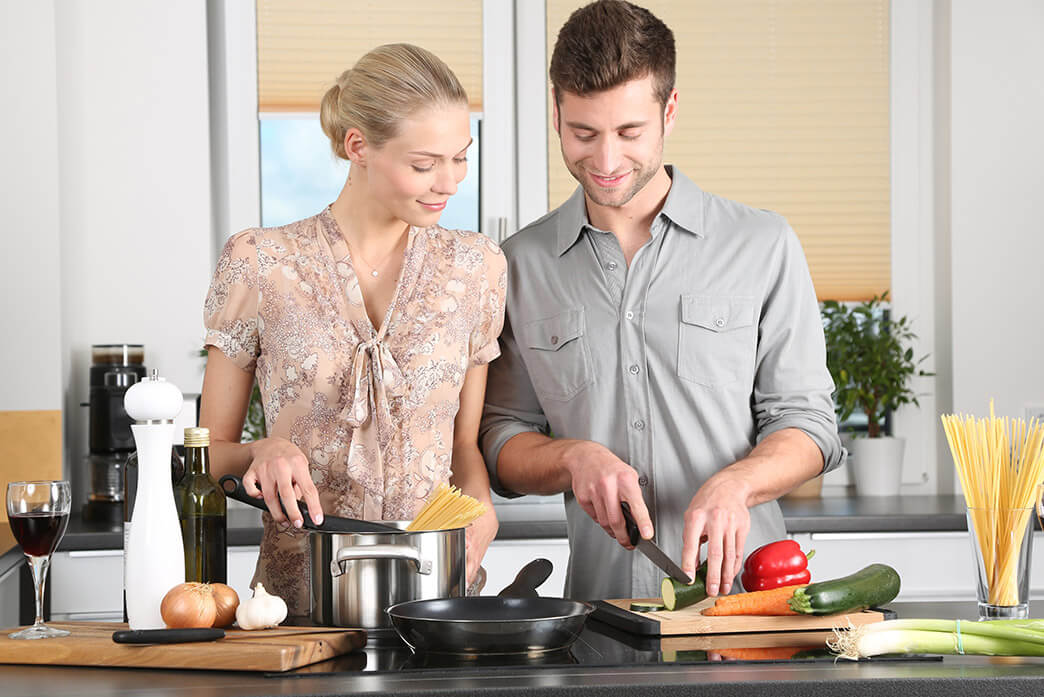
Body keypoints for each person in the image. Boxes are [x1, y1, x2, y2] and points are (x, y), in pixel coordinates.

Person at [479, 0, 843, 603]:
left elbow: (808, 424)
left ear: (669, 111)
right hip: (600, 619)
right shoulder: (519, 264)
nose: (605, 161)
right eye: (583, 133)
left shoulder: (762, 244)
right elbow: (501, 437)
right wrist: (573, 458)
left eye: (629, 132)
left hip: (751, 611)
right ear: (556, 114)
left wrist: (739, 484)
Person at [200, 43, 505, 615]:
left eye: (460, 158)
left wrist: (481, 505)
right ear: (357, 146)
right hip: (296, 608)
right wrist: (261, 451)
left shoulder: (478, 267)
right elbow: (203, 457)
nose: (449, 182)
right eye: (423, 164)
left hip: (436, 599)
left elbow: (464, 444)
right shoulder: (261, 262)